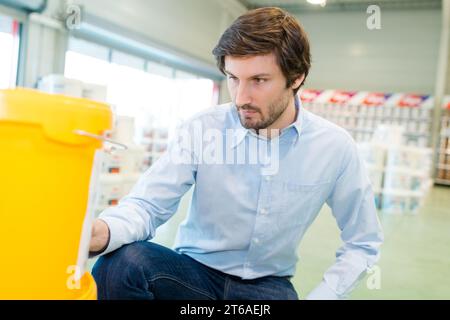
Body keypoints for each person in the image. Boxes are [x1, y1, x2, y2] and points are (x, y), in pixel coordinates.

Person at [89, 7, 383, 300]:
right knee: (121, 263)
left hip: (267, 287)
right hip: (191, 274)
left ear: (296, 78)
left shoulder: (334, 148)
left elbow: (363, 241)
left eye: (259, 80)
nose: (241, 97)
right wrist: (104, 230)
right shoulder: (203, 129)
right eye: (233, 78)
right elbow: (148, 205)